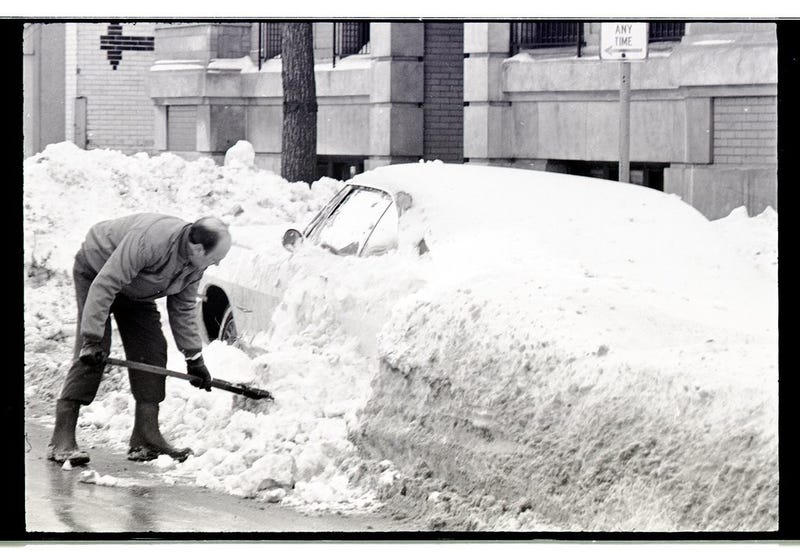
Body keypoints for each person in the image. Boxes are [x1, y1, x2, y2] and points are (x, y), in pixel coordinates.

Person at [47, 213, 232, 466]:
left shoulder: (196, 263)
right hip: (97, 271)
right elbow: (106, 284)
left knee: (152, 349)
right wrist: (91, 338)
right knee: (94, 353)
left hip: (137, 289)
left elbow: (183, 307)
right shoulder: (151, 241)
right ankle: (62, 439)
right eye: (215, 258)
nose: (217, 264)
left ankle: (145, 437)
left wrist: (194, 357)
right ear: (198, 248)